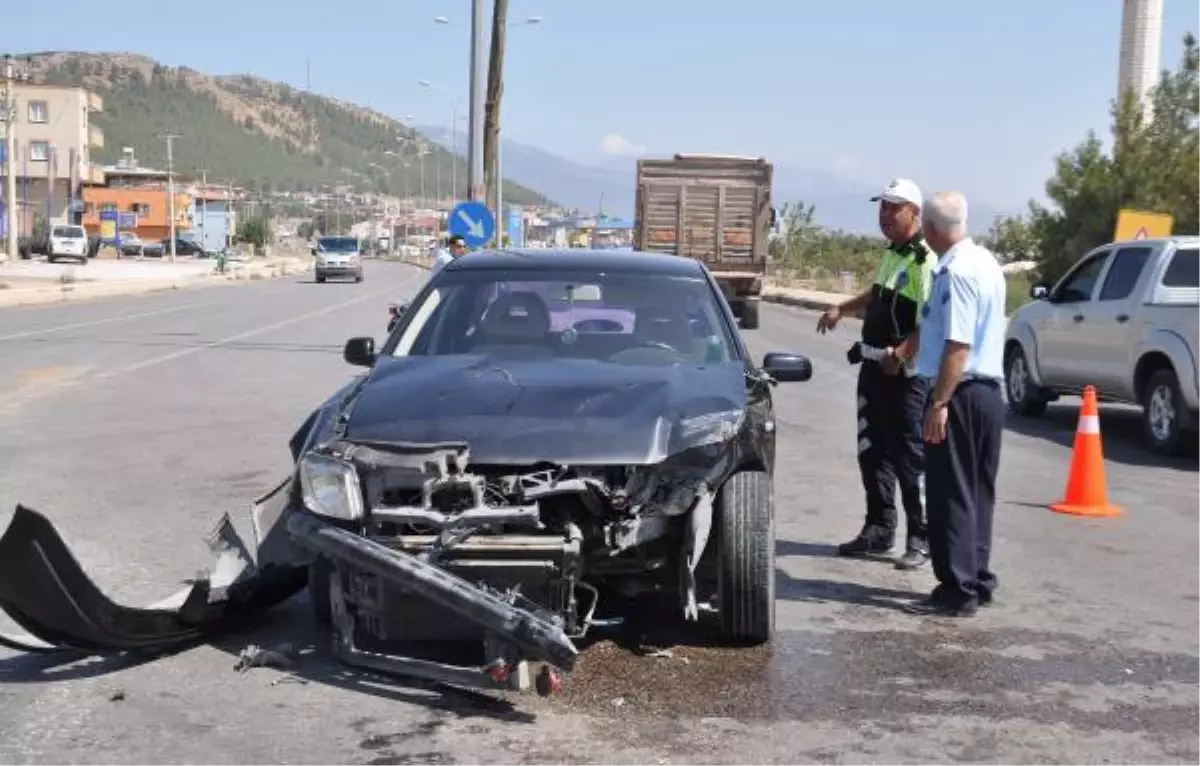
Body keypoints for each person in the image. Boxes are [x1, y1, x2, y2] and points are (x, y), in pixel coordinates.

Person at [816, 178, 937, 570]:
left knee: (908, 459)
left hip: (905, 376)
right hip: (873, 368)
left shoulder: (924, 261)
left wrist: (901, 355)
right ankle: (879, 528)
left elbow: (932, 320)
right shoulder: (893, 254)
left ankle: (921, 538)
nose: (884, 215)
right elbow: (876, 294)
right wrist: (841, 308)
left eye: (893, 208)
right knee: (872, 452)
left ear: (914, 213)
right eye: (882, 207)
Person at [905, 190, 1007, 618]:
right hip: (987, 394)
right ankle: (978, 577)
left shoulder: (957, 273)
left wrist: (939, 403)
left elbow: (957, 346)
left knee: (951, 491)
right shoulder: (986, 262)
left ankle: (958, 588)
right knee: (978, 491)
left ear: (928, 229)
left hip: (960, 393)